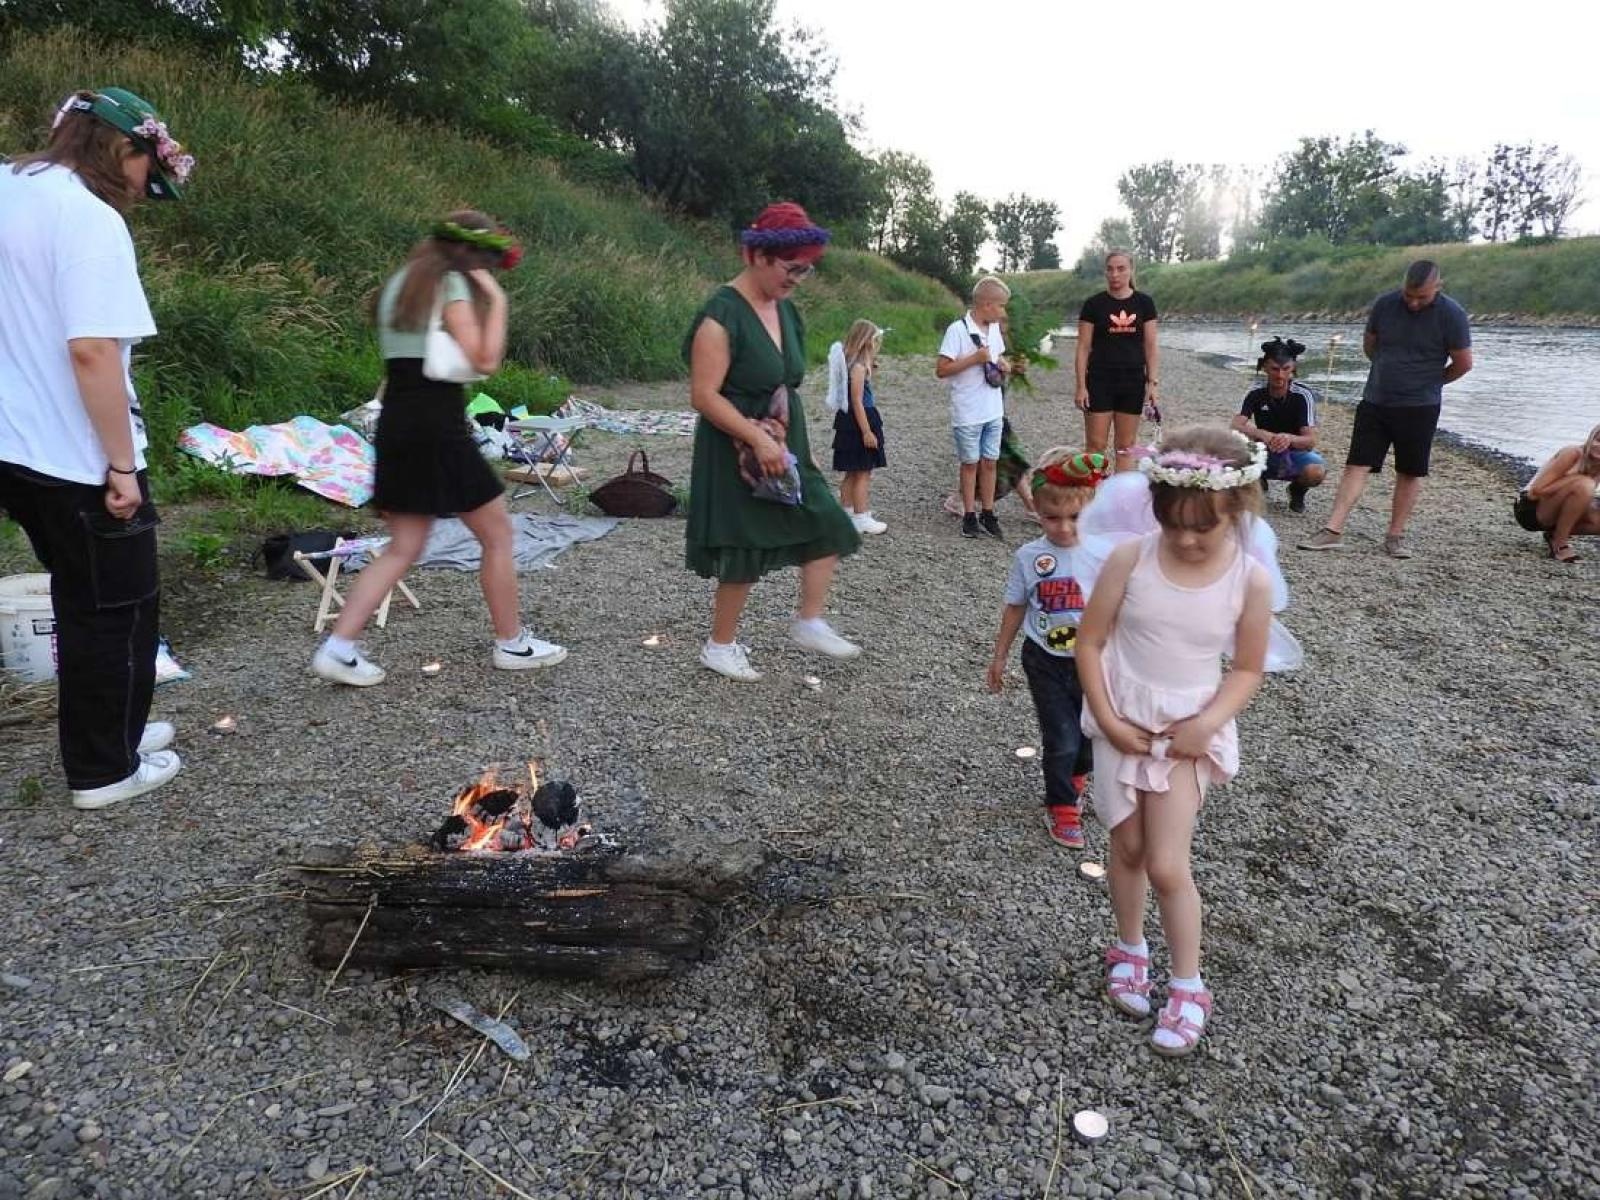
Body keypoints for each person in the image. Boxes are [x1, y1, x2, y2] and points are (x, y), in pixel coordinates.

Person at [0, 87, 195, 810]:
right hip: (70, 450)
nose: (144, 190)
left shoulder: (9, 185)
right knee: (114, 607)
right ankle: (103, 770)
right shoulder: (87, 217)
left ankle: (120, 731)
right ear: (124, 147)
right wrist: (120, 465)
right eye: (148, 170)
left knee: (88, 593)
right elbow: (92, 351)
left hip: (12, 442)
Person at [1075, 427, 1278, 1057]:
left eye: (1203, 528)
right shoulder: (1129, 559)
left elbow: (1247, 668)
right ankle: (1130, 946)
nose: (1186, 539)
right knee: (1127, 845)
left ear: (1237, 509)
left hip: (1188, 732)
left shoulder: (1248, 580)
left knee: (1167, 862)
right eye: (1172, 525)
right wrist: (1107, 718)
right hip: (1122, 717)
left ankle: (1189, 984)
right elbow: (1090, 641)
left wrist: (1207, 724)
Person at [310, 212, 566, 686]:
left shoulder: (400, 284)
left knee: (403, 546)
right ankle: (512, 643)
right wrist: (497, 300)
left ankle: (338, 648)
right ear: (470, 253)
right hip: (437, 423)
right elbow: (483, 359)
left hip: (397, 419)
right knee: (497, 536)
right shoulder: (449, 285)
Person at [684, 202, 861, 683]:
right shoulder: (720, 317)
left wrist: (789, 442)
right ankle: (720, 646)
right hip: (734, 444)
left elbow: (786, 379)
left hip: (783, 437)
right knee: (743, 543)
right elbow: (703, 395)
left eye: (806, 269)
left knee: (828, 521)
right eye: (792, 268)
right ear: (757, 256)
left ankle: (809, 620)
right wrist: (756, 440)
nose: (799, 279)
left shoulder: (785, 310)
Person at [1299, 260, 1473, 558]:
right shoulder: (1385, 305)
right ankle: (1332, 529)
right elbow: (1370, 345)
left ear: (1438, 287)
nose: (1414, 303)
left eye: (1422, 297)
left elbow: (1463, 363)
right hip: (1376, 400)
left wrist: (1432, 382)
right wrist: (1386, 370)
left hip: (1420, 406)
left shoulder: (1452, 314)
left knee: (1409, 471)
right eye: (1409, 295)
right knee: (1357, 464)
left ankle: (1395, 536)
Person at [985, 450, 1111, 849]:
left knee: (1090, 737)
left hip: (1095, 662)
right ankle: (1061, 804)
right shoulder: (1030, 557)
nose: (1063, 527)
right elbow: (1015, 606)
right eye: (1051, 518)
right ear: (1036, 510)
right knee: (1062, 737)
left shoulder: (1106, 554)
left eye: (1075, 517)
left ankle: (1076, 776)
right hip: (1045, 660)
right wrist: (1000, 656)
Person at [937, 277, 1012, 539]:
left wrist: (1002, 363)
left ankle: (988, 513)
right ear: (987, 304)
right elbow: (941, 369)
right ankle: (969, 515)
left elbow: (996, 356)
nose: (1003, 312)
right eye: (1001, 306)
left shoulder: (994, 329)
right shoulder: (957, 330)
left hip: (993, 409)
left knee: (990, 462)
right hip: (968, 411)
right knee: (970, 464)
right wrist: (973, 359)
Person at [1076, 250, 1160, 471]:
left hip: (1132, 381)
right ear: (1105, 272)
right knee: (1096, 445)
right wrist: (1081, 386)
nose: (1115, 274)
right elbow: (1083, 347)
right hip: (1099, 380)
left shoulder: (1144, 303)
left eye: (1121, 269)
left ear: (1131, 270)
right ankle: (1094, 491)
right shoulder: (1093, 304)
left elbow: (1150, 346)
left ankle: (1121, 492)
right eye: (1110, 269)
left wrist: (1152, 383)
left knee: (1125, 446)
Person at [1230, 337, 1325, 513]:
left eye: (1285, 369)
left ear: (1293, 368)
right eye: (1274, 369)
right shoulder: (1255, 391)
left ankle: (1297, 490)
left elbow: (1311, 440)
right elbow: (1235, 426)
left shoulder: (1302, 395)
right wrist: (1261, 433)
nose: (1280, 375)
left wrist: (1288, 438)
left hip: (1294, 453)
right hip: (1263, 451)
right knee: (1230, 455)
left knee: (1316, 472)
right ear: (1264, 367)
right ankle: (1258, 481)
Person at [826, 319, 888, 535]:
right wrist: (867, 431)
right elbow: (857, 400)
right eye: (875, 341)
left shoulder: (850, 363)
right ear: (867, 342)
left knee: (851, 472)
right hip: (860, 421)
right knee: (863, 471)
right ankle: (861, 517)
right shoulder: (859, 367)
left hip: (848, 422)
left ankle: (847, 514)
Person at [1518, 424, 1600, 563]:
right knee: (1585, 485)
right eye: (1598, 440)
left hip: (1555, 511)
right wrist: (1575, 481)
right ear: (1591, 438)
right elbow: (1535, 492)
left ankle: (1554, 535)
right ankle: (1560, 545)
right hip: (1530, 509)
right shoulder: (1573, 453)